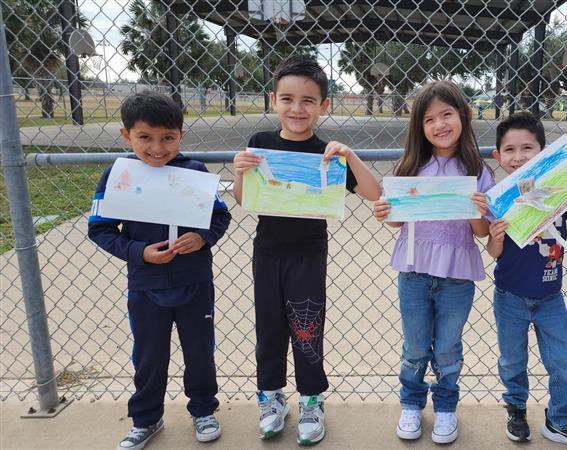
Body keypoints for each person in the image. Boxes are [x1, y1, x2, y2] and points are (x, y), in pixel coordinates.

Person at [231, 54, 381, 445]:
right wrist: (239, 170)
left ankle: (312, 398)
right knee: (269, 326)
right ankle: (270, 396)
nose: (297, 109)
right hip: (267, 251)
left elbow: (373, 193)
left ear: (323, 106)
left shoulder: (327, 152)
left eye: (308, 101)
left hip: (308, 253)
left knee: (306, 326)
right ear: (273, 100)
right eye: (287, 99)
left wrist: (349, 155)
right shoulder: (261, 144)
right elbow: (246, 200)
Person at [88, 91, 231, 450]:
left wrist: (201, 238)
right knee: (149, 356)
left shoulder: (194, 172)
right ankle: (146, 419)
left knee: (199, 351)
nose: (157, 147)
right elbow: (100, 228)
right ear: (126, 136)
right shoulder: (117, 175)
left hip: (194, 283)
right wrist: (139, 252)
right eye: (145, 137)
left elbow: (220, 215)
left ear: (180, 135)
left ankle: (203, 409)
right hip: (145, 286)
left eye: (168, 137)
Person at [373, 80, 494, 444]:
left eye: (447, 115)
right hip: (414, 270)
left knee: (447, 348)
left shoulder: (476, 169)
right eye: (429, 119)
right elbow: (397, 218)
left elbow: (482, 232)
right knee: (414, 346)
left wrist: (476, 210)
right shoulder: (411, 164)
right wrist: (385, 209)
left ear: (463, 116)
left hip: (457, 274)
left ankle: (445, 408)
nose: (440, 125)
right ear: (419, 127)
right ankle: (411, 404)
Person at [487, 112, 567, 450]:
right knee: (512, 359)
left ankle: (561, 421)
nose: (518, 156)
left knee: (564, 360)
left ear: (543, 152)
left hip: (551, 297)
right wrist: (495, 235)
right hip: (510, 296)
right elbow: (494, 253)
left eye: (528, 148)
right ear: (498, 156)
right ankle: (516, 409)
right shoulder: (501, 197)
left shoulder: (560, 190)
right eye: (509, 149)